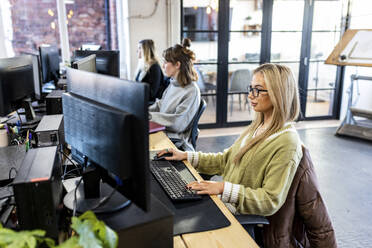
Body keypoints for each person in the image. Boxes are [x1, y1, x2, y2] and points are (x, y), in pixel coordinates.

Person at [157, 63, 302, 216]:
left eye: (258, 90)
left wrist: (222, 188)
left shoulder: (287, 142)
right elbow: (226, 160)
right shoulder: (257, 126)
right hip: (223, 201)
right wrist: (185, 155)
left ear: (278, 94)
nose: (251, 95)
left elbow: (270, 201)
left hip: (235, 213)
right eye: (251, 88)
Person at [149, 38, 201, 151]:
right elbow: (160, 104)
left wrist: (150, 116)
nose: (163, 66)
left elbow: (177, 123)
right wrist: (142, 111)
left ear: (177, 64)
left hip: (176, 141)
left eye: (165, 62)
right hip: (164, 132)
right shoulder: (173, 83)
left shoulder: (191, 91)